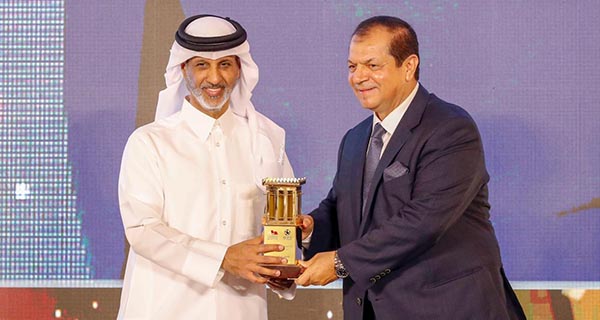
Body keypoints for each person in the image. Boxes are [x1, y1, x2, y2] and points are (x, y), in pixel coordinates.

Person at [295, 16, 526, 320]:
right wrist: (311, 229)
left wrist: (340, 262)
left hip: (449, 309)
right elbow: (342, 210)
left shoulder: (450, 128)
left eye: (372, 65)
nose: (359, 77)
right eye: (352, 67)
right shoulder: (354, 139)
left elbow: (423, 221)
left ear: (409, 66)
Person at [117, 14, 295, 320]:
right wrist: (223, 258)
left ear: (240, 69)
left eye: (225, 64)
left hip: (241, 310)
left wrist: (281, 266)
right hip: (164, 310)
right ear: (184, 69)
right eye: (202, 65)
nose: (214, 79)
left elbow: (283, 225)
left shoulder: (267, 138)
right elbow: (143, 230)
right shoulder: (149, 142)